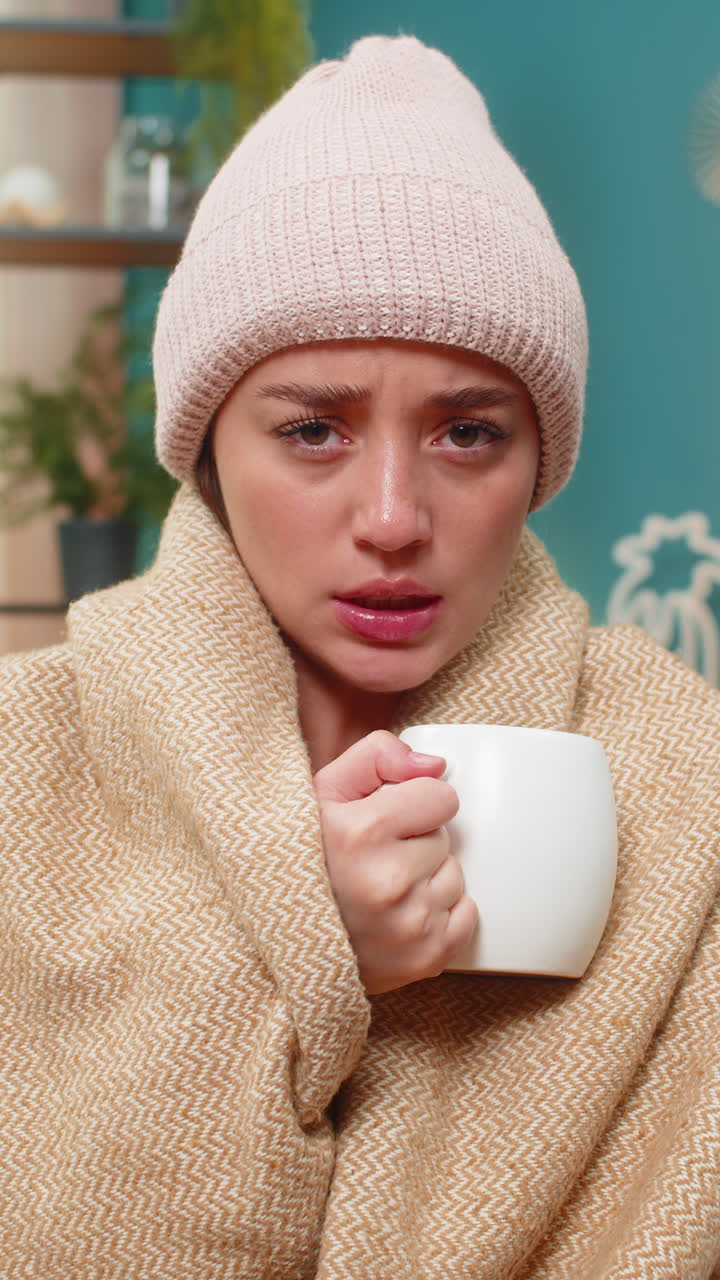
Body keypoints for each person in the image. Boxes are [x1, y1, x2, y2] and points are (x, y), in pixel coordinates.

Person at [1, 32, 719, 1280]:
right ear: (211, 445)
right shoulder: (26, 765)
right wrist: (295, 953)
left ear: (537, 461)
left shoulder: (684, 778)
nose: (392, 515)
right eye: (316, 428)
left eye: (468, 432)